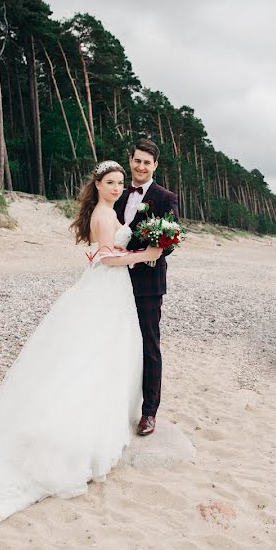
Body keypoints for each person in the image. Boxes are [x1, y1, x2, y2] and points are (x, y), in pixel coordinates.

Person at [0, 160, 162, 524]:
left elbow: (98, 254)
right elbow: (108, 258)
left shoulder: (107, 212)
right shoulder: (102, 213)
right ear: (97, 185)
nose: (116, 188)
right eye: (110, 183)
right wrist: (144, 255)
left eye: (118, 183)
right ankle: (76, 432)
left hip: (111, 293)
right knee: (92, 355)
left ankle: (101, 422)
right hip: (106, 289)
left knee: (105, 356)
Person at [114, 138, 180, 436]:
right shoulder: (116, 192)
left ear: (155, 166)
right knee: (114, 342)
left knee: (149, 346)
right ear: (131, 161)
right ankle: (115, 404)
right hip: (113, 280)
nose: (141, 166)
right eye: (137, 160)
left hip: (148, 283)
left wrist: (146, 255)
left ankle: (149, 413)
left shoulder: (165, 197)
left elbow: (170, 240)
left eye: (147, 162)